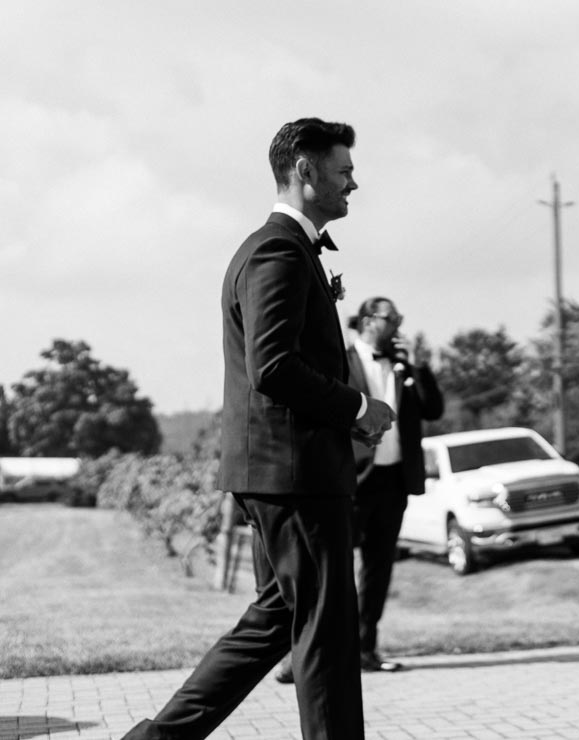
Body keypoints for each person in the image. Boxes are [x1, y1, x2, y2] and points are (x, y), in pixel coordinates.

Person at [123, 118, 395, 740]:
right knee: (325, 629)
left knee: (278, 618)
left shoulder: (285, 249)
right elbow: (272, 366)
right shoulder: (278, 250)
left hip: (282, 472)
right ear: (305, 170)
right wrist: (357, 408)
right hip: (296, 476)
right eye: (344, 171)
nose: (354, 183)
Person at [277, 296, 444, 683]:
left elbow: (433, 409)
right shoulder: (342, 360)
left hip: (394, 481)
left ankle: (365, 648)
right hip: (349, 479)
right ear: (369, 321)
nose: (398, 324)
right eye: (392, 317)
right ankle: (305, 655)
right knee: (328, 569)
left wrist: (418, 366)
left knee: (378, 570)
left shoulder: (404, 366)